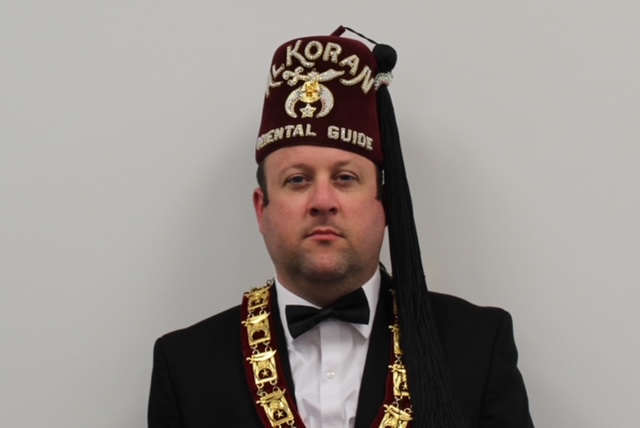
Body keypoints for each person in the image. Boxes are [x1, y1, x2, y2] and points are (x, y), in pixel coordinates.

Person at [148, 26, 534, 428]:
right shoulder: (186, 367)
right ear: (262, 209)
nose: (323, 201)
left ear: (384, 204)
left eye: (345, 178)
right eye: (297, 180)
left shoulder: (476, 345)